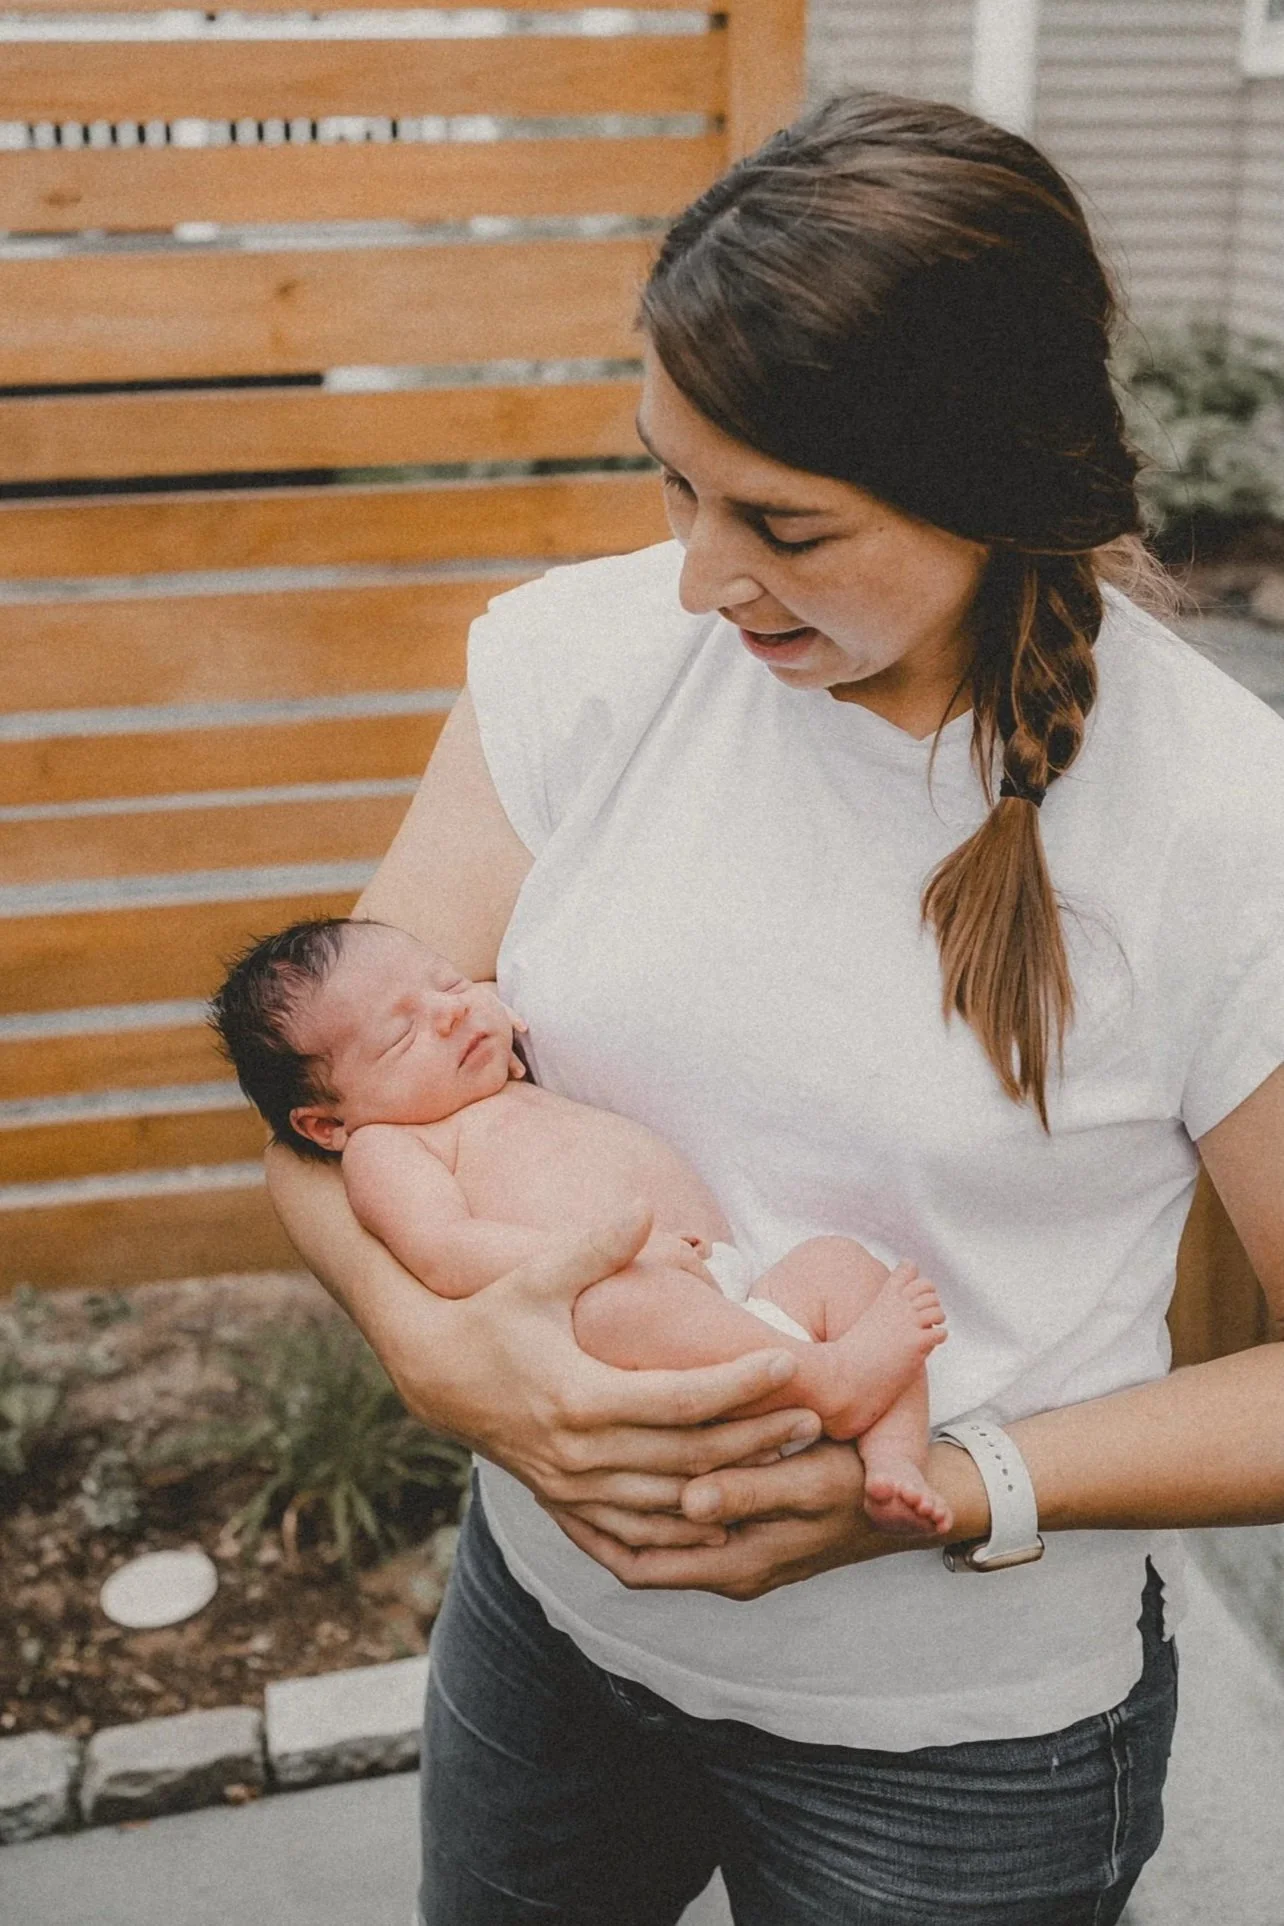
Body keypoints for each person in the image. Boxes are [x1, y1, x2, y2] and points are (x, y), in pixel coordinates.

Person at [264, 89, 1284, 1926]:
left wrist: (945, 1480)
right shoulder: (574, 667)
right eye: (670, 480)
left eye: (783, 527)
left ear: (1000, 483)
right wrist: (445, 1363)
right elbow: (318, 1119)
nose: (697, 578)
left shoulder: (1219, 818)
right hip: (546, 1646)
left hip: (958, 1759)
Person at [212, 916, 951, 1525]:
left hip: (733, 1302)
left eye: (446, 983)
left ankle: (891, 1462)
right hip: (618, 1333)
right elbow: (443, 1251)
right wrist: (609, 1255)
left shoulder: (495, 1065)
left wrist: (490, 1017)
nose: (449, 1013)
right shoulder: (389, 1143)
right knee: (619, 1303)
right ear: (325, 1125)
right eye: (401, 1036)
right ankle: (835, 1381)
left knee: (839, 1266)